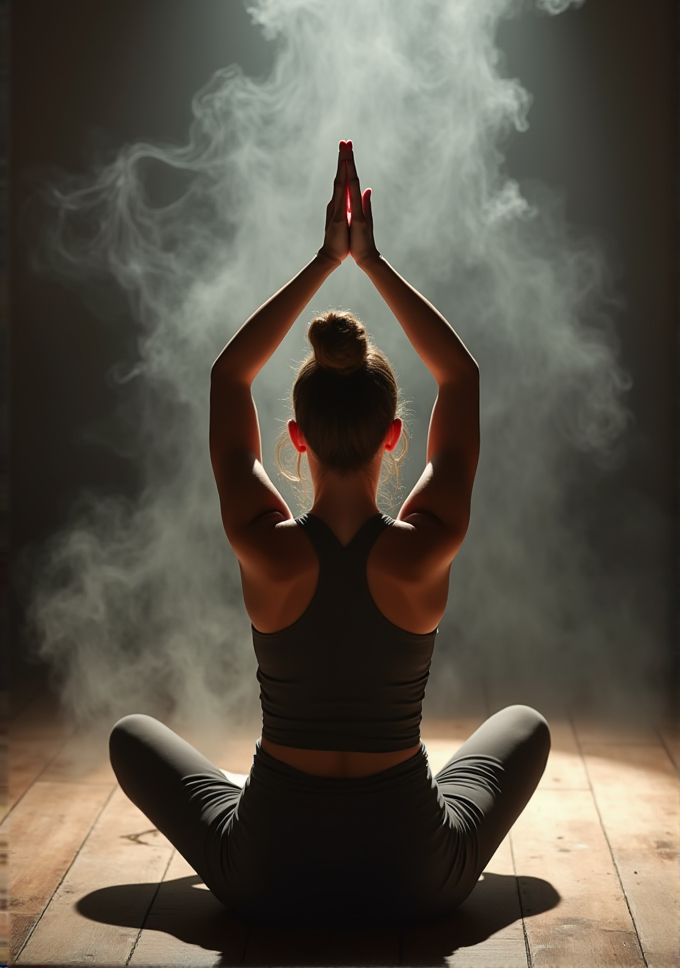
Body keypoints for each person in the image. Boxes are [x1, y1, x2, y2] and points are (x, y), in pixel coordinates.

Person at [109, 140, 550, 925]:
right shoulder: (427, 543)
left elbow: (226, 378)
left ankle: (271, 806)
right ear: (393, 438)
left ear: (296, 437)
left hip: (268, 869)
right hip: (414, 874)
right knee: (527, 727)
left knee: (130, 735)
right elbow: (462, 378)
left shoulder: (263, 541)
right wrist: (371, 263)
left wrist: (325, 259)